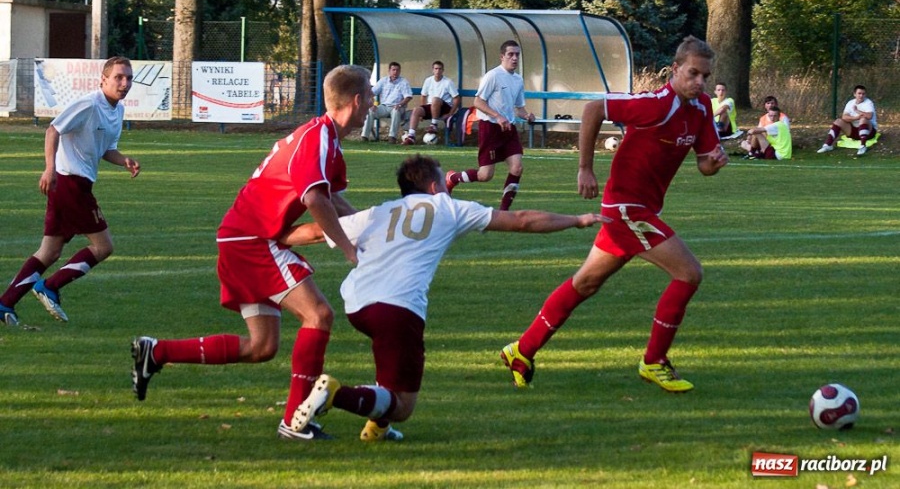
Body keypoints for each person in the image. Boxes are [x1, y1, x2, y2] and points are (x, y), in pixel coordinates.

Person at [130, 65, 373, 442]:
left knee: (261, 347)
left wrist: (364, 224)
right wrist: (347, 247)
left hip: (246, 237)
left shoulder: (324, 136)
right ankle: (295, 420)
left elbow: (329, 197)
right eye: (370, 97)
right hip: (252, 240)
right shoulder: (318, 137)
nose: (372, 104)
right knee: (319, 314)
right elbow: (314, 198)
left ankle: (156, 352)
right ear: (357, 101)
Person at [287, 155, 603, 441]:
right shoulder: (448, 208)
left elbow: (316, 232)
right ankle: (333, 394)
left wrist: (268, 235)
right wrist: (576, 220)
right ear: (437, 186)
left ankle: (376, 429)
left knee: (391, 366)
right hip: (397, 308)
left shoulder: (379, 212)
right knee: (403, 405)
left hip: (357, 306)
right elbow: (521, 219)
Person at [500, 36, 728, 393]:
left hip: (641, 209)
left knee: (586, 283)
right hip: (626, 208)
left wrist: (714, 162)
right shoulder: (656, 104)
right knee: (689, 273)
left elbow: (704, 165)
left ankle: (522, 350)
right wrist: (585, 168)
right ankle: (654, 361)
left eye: (705, 75)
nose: (699, 81)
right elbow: (594, 109)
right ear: (675, 70)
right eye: (693, 73)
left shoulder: (701, 109)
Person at [0, 57, 141, 327]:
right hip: (69, 184)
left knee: (49, 252)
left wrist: (124, 160)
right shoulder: (89, 104)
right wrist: (49, 168)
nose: (124, 84)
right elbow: (53, 130)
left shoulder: (117, 110)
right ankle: (50, 286)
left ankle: (5, 302)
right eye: (119, 78)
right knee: (103, 246)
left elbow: (105, 149)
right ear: (103, 79)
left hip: (73, 185)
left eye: (129, 78)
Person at [446, 40, 535, 210]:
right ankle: (452, 178)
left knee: (517, 168)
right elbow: (478, 102)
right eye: (510, 54)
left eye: (517, 54)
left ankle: (503, 212)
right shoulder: (492, 76)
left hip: (508, 129)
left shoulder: (518, 79)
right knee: (485, 175)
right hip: (490, 129)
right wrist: (498, 116)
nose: (514, 58)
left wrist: (527, 115)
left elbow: (518, 108)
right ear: (502, 57)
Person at [401, 61, 460, 145]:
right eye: (436, 69)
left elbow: (456, 98)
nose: (438, 71)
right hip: (432, 106)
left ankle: (434, 125)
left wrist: (450, 113)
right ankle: (411, 136)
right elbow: (423, 96)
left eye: (440, 69)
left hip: (444, 107)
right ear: (433, 70)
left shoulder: (448, 82)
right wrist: (422, 109)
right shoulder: (428, 80)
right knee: (416, 110)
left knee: (435, 99)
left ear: (443, 70)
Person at [816, 85, 877, 156]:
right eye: (859, 93)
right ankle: (828, 145)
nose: (861, 95)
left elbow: (869, 116)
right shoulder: (850, 103)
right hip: (854, 131)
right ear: (854, 94)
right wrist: (856, 118)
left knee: (863, 119)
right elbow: (844, 117)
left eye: (863, 94)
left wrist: (857, 111)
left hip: (869, 132)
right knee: (838, 121)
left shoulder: (868, 103)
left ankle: (863, 146)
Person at [361, 62, 412, 144]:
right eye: (393, 70)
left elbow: (408, 97)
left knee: (396, 111)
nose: (395, 72)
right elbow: (370, 93)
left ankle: (392, 137)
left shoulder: (403, 82)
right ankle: (364, 136)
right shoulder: (383, 81)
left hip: (397, 106)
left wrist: (400, 104)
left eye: (397, 70)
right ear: (389, 71)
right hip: (384, 106)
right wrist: (372, 104)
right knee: (370, 111)